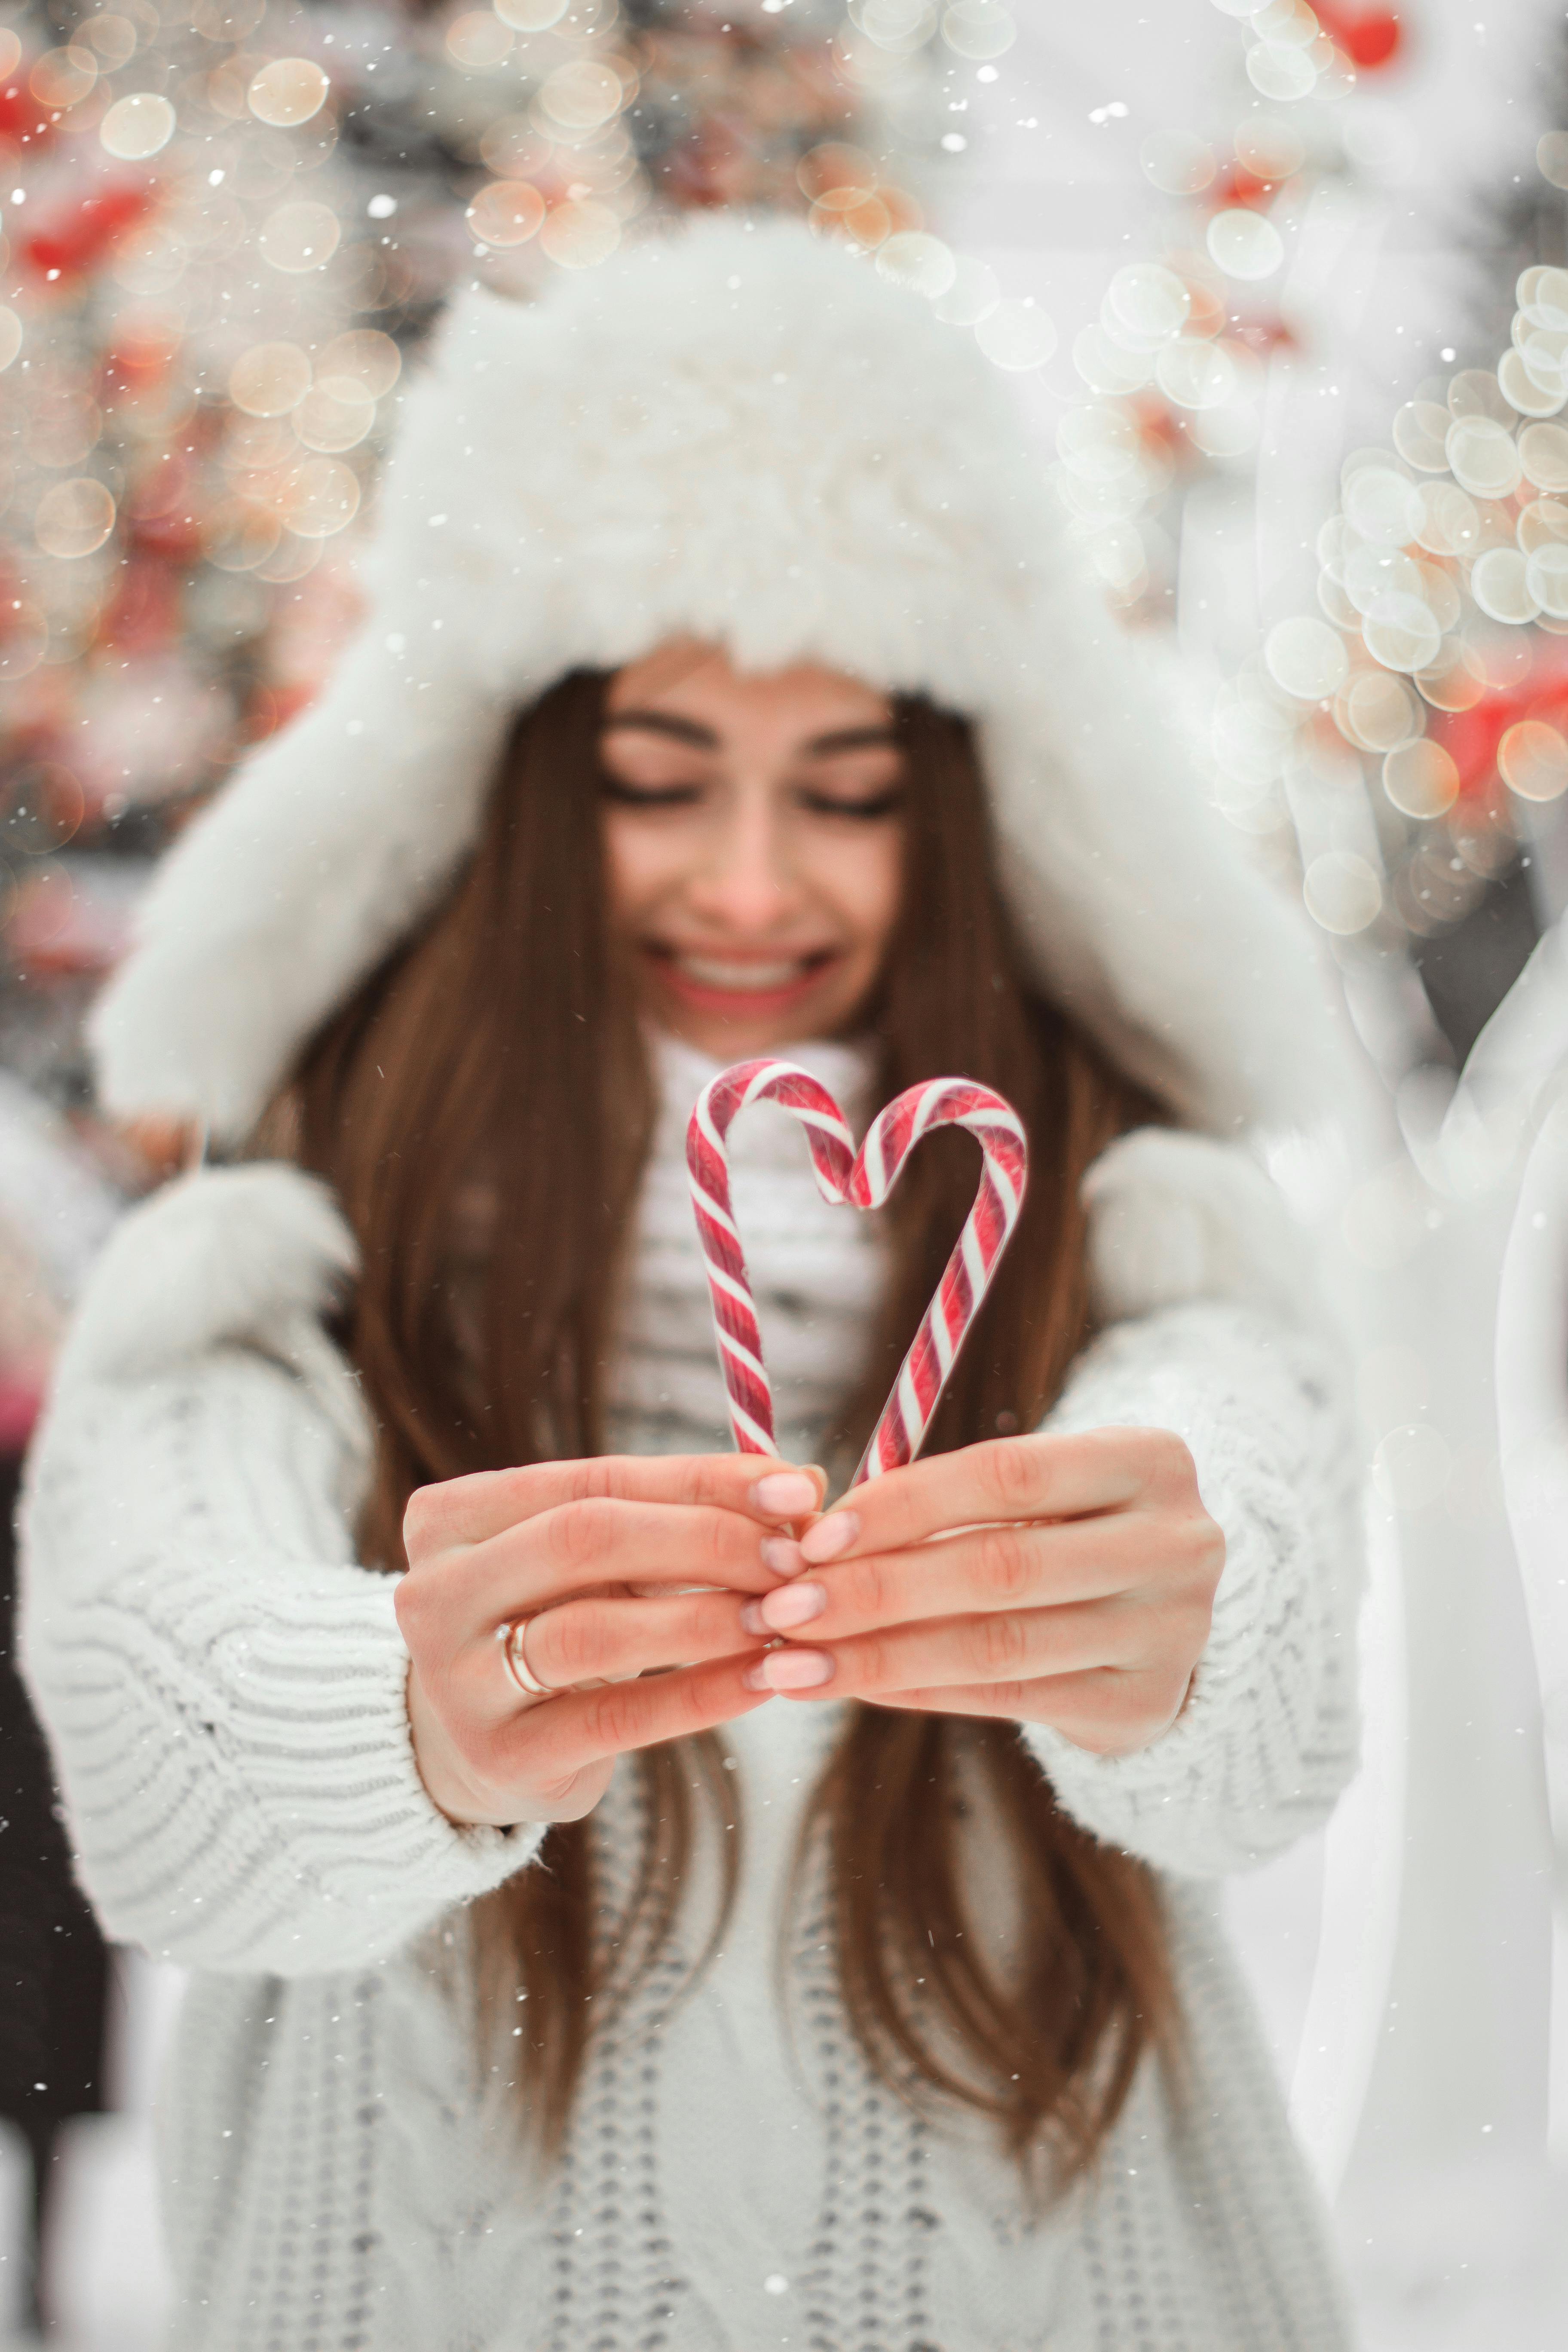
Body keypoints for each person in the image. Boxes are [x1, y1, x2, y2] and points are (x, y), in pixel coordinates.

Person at [20, 217, 1363, 2350]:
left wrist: (1177, 1618)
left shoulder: (1125, 1213)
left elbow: (1266, 1627)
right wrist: (397, 1709)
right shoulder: (293, 1238)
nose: (751, 885)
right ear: (529, 791)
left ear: (969, 812)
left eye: (847, 795)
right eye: (659, 785)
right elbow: (148, 1711)